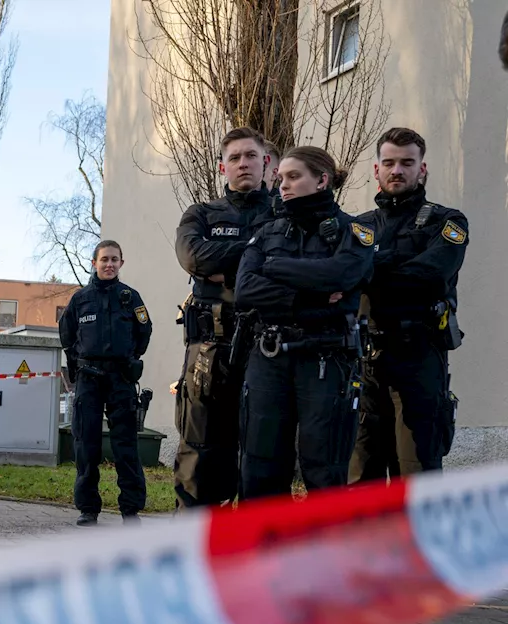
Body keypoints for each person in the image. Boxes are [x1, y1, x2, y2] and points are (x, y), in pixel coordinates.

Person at [235, 146, 375, 500]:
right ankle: (262, 552)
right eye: (281, 177)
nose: (283, 185)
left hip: (325, 359)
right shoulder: (267, 232)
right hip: (269, 357)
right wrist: (307, 297)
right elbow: (245, 289)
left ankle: (324, 554)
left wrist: (273, 268)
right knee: (261, 465)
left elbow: (341, 275)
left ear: (322, 180)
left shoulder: (354, 231)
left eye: (294, 177)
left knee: (323, 466)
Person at [349, 127, 469, 483]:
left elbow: (432, 275)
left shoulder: (447, 221)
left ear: (423, 168)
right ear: (376, 170)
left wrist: (371, 266)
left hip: (419, 357)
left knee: (418, 477)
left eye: (406, 163)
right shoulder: (357, 227)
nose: (397, 170)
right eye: (389, 163)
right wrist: (395, 264)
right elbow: (342, 277)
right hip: (365, 361)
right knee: (361, 478)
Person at [172, 127, 277, 509]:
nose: (243, 163)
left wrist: (223, 267)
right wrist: (256, 256)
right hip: (209, 353)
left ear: (266, 163)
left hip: (267, 350)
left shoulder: (284, 214)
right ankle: (193, 553)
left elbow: (289, 266)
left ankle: (255, 559)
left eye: (251, 155)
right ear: (222, 167)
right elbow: (193, 256)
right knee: (199, 456)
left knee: (262, 458)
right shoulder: (200, 214)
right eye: (234, 158)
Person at [58, 240, 151, 526]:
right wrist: (80, 361)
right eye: (104, 259)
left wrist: (129, 356)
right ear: (94, 263)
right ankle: (88, 508)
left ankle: (130, 510)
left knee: (126, 446)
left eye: (114, 259)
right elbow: (67, 335)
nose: (109, 264)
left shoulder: (130, 297)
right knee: (87, 444)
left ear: (121, 263)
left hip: (121, 378)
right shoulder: (80, 299)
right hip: (89, 379)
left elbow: (144, 331)